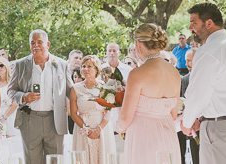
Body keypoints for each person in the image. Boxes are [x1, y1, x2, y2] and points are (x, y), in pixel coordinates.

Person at [181, 3, 226, 163]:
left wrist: (187, 122)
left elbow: (198, 92)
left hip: (223, 130)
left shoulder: (209, 50)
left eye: (194, 22)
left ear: (208, 23)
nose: (190, 27)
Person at [116, 24, 181, 163]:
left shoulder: (137, 74)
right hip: (168, 135)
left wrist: (119, 128)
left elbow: (125, 117)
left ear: (138, 44)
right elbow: (174, 114)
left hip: (142, 137)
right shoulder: (174, 73)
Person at [7, 29, 71, 164]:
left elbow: (71, 91)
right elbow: (11, 91)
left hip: (55, 121)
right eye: (32, 42)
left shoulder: (62, 64)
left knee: (56, 160)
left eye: (39, 42)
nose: (35, 45)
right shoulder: (20, 65)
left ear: (48, 44)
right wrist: (24, 97)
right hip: (30, 120)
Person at [70, 55, 116, 164]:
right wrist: (86, 129)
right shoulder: (75, 89)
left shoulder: (106, 87)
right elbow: (73, 113)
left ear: (96, 69)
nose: (85, 69)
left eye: (89, 66)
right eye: (83, 66)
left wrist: (98, 129)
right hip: (82, 129)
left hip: (102, 129)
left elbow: (109, 112)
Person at [178, 49, 199, 164]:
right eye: (186, 61)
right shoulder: (184, 79)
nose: (187, 64)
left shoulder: (205, 77)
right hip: (190, 126)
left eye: (190, 61)